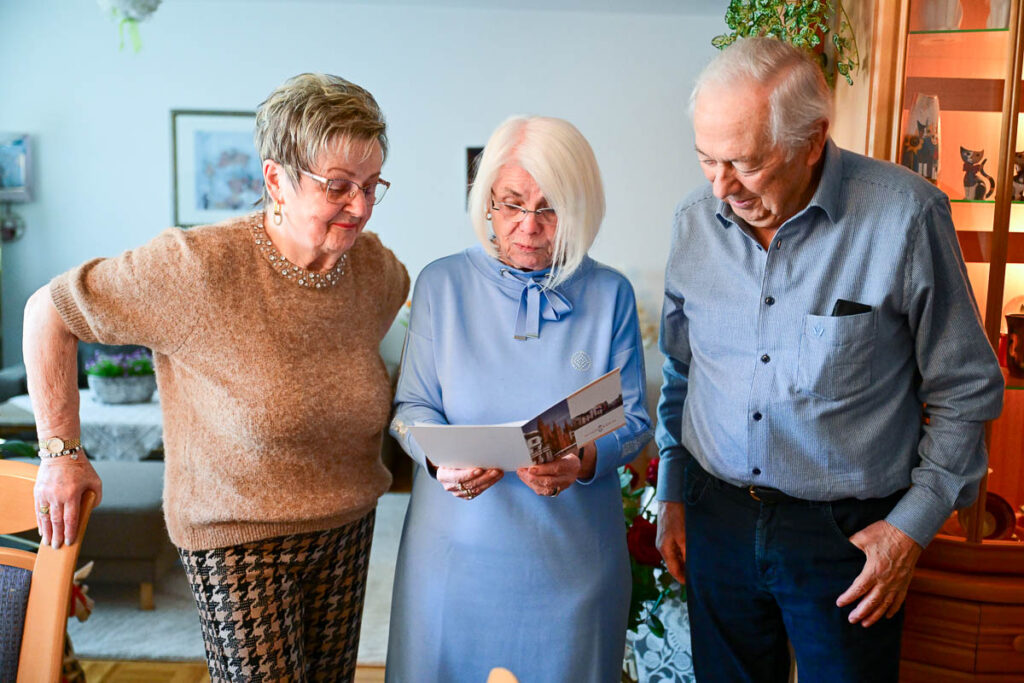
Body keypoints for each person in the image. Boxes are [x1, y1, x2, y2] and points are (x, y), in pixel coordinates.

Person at [24, 73, 409, 680]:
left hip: (348, 529)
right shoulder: (197, 268)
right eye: (337, 186)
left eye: (371, 186)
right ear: (275, 178)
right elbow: (47, 311)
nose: (359, 207)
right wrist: (61, 453)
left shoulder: (379, 273)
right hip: (237, 539)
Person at [655, 37, 1005, 682]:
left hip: (845, 540)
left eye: (745, 163)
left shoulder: (904, 217)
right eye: (707, 160)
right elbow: (682, 370)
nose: (722, 187)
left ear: (812, 140)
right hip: (718, 519)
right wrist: (672, 493)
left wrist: (909, 529)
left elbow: (968, 390)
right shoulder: (692, 222)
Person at [386, 115, 652, 682]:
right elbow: (410, 411)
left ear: (580, 209)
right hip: (452, 563)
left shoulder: (610, 295)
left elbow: (631, 420)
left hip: (573, 563)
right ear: (487, 204)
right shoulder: (440, 285)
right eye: (511, 204)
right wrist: (438, 461)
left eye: (550, 208)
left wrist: (579, 460)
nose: (528, 227)